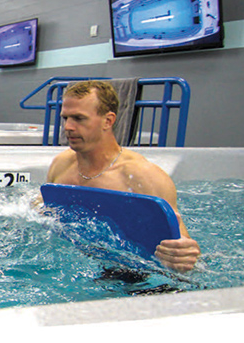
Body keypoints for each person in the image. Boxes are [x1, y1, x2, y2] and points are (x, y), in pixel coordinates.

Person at [46, 80, 201, 273]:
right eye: (65, 118)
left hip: (133, 275)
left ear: (108, 120)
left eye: (79, 118)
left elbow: (180, 246)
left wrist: (183, 254)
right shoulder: (61, 164)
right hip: (72, 265)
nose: (68, 127)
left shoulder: (143, 176)